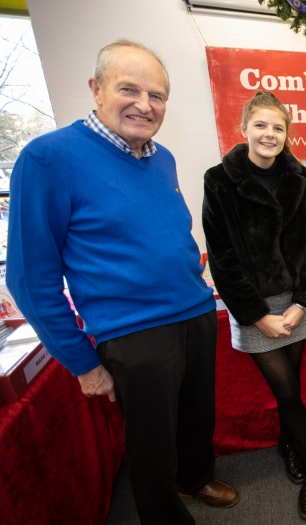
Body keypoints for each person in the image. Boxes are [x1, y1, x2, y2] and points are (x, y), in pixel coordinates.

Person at [6, 40, 238, 524]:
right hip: (133, 334)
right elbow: (30, 279)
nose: (144, 104)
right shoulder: (49, 158)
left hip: (195, 313)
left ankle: (194, 477)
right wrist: (83, 364)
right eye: (128, 89)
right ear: (96, 89)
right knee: (151, 442)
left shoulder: (163, 157)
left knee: (196, 417)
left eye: (156, 95)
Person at [202, 91, 306, 520]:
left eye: (278, 127)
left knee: (289, 387)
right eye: (261, 125)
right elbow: (222, 259)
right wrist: (257, 315)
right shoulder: (219, 180)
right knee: (287, 393)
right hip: (254, 308)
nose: (269, 134)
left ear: (287, 133)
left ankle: (287, 445)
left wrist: (302, 303)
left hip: (295, 306)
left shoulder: (300, 176)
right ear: (244, 129)